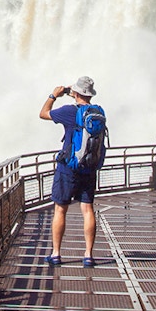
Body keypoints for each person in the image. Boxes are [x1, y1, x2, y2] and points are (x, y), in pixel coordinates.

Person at [39, 75, 100, 268]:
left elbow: (43, 113)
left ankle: (56, 254)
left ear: (75, 93)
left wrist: (54, 95)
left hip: (68, 168)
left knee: (60, 209)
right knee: (88, 209)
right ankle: (88, 255)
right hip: (89, 167)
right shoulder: (98, 112)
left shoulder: (68, 111)